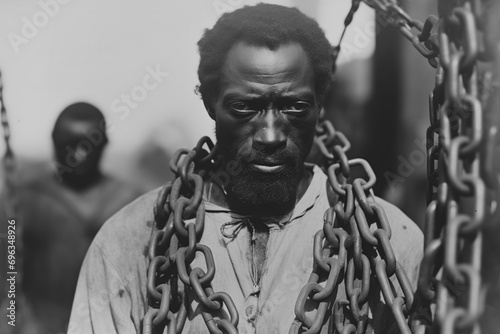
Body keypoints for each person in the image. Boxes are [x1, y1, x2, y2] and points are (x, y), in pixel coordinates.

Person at [68, 4, 423, 334]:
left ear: (319, 105)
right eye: (244, 107)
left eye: (295, 107)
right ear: (210, 103)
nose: (270, 135)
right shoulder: (128, 244)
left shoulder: (389, 244)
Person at [0, 102, 142, 334]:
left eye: (89, 145)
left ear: (104, 144)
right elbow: (7, 275)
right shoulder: (25, 200)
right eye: (70, 145)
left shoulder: (130, 202)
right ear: (54, 142)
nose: (79, 154)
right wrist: (14, 322)